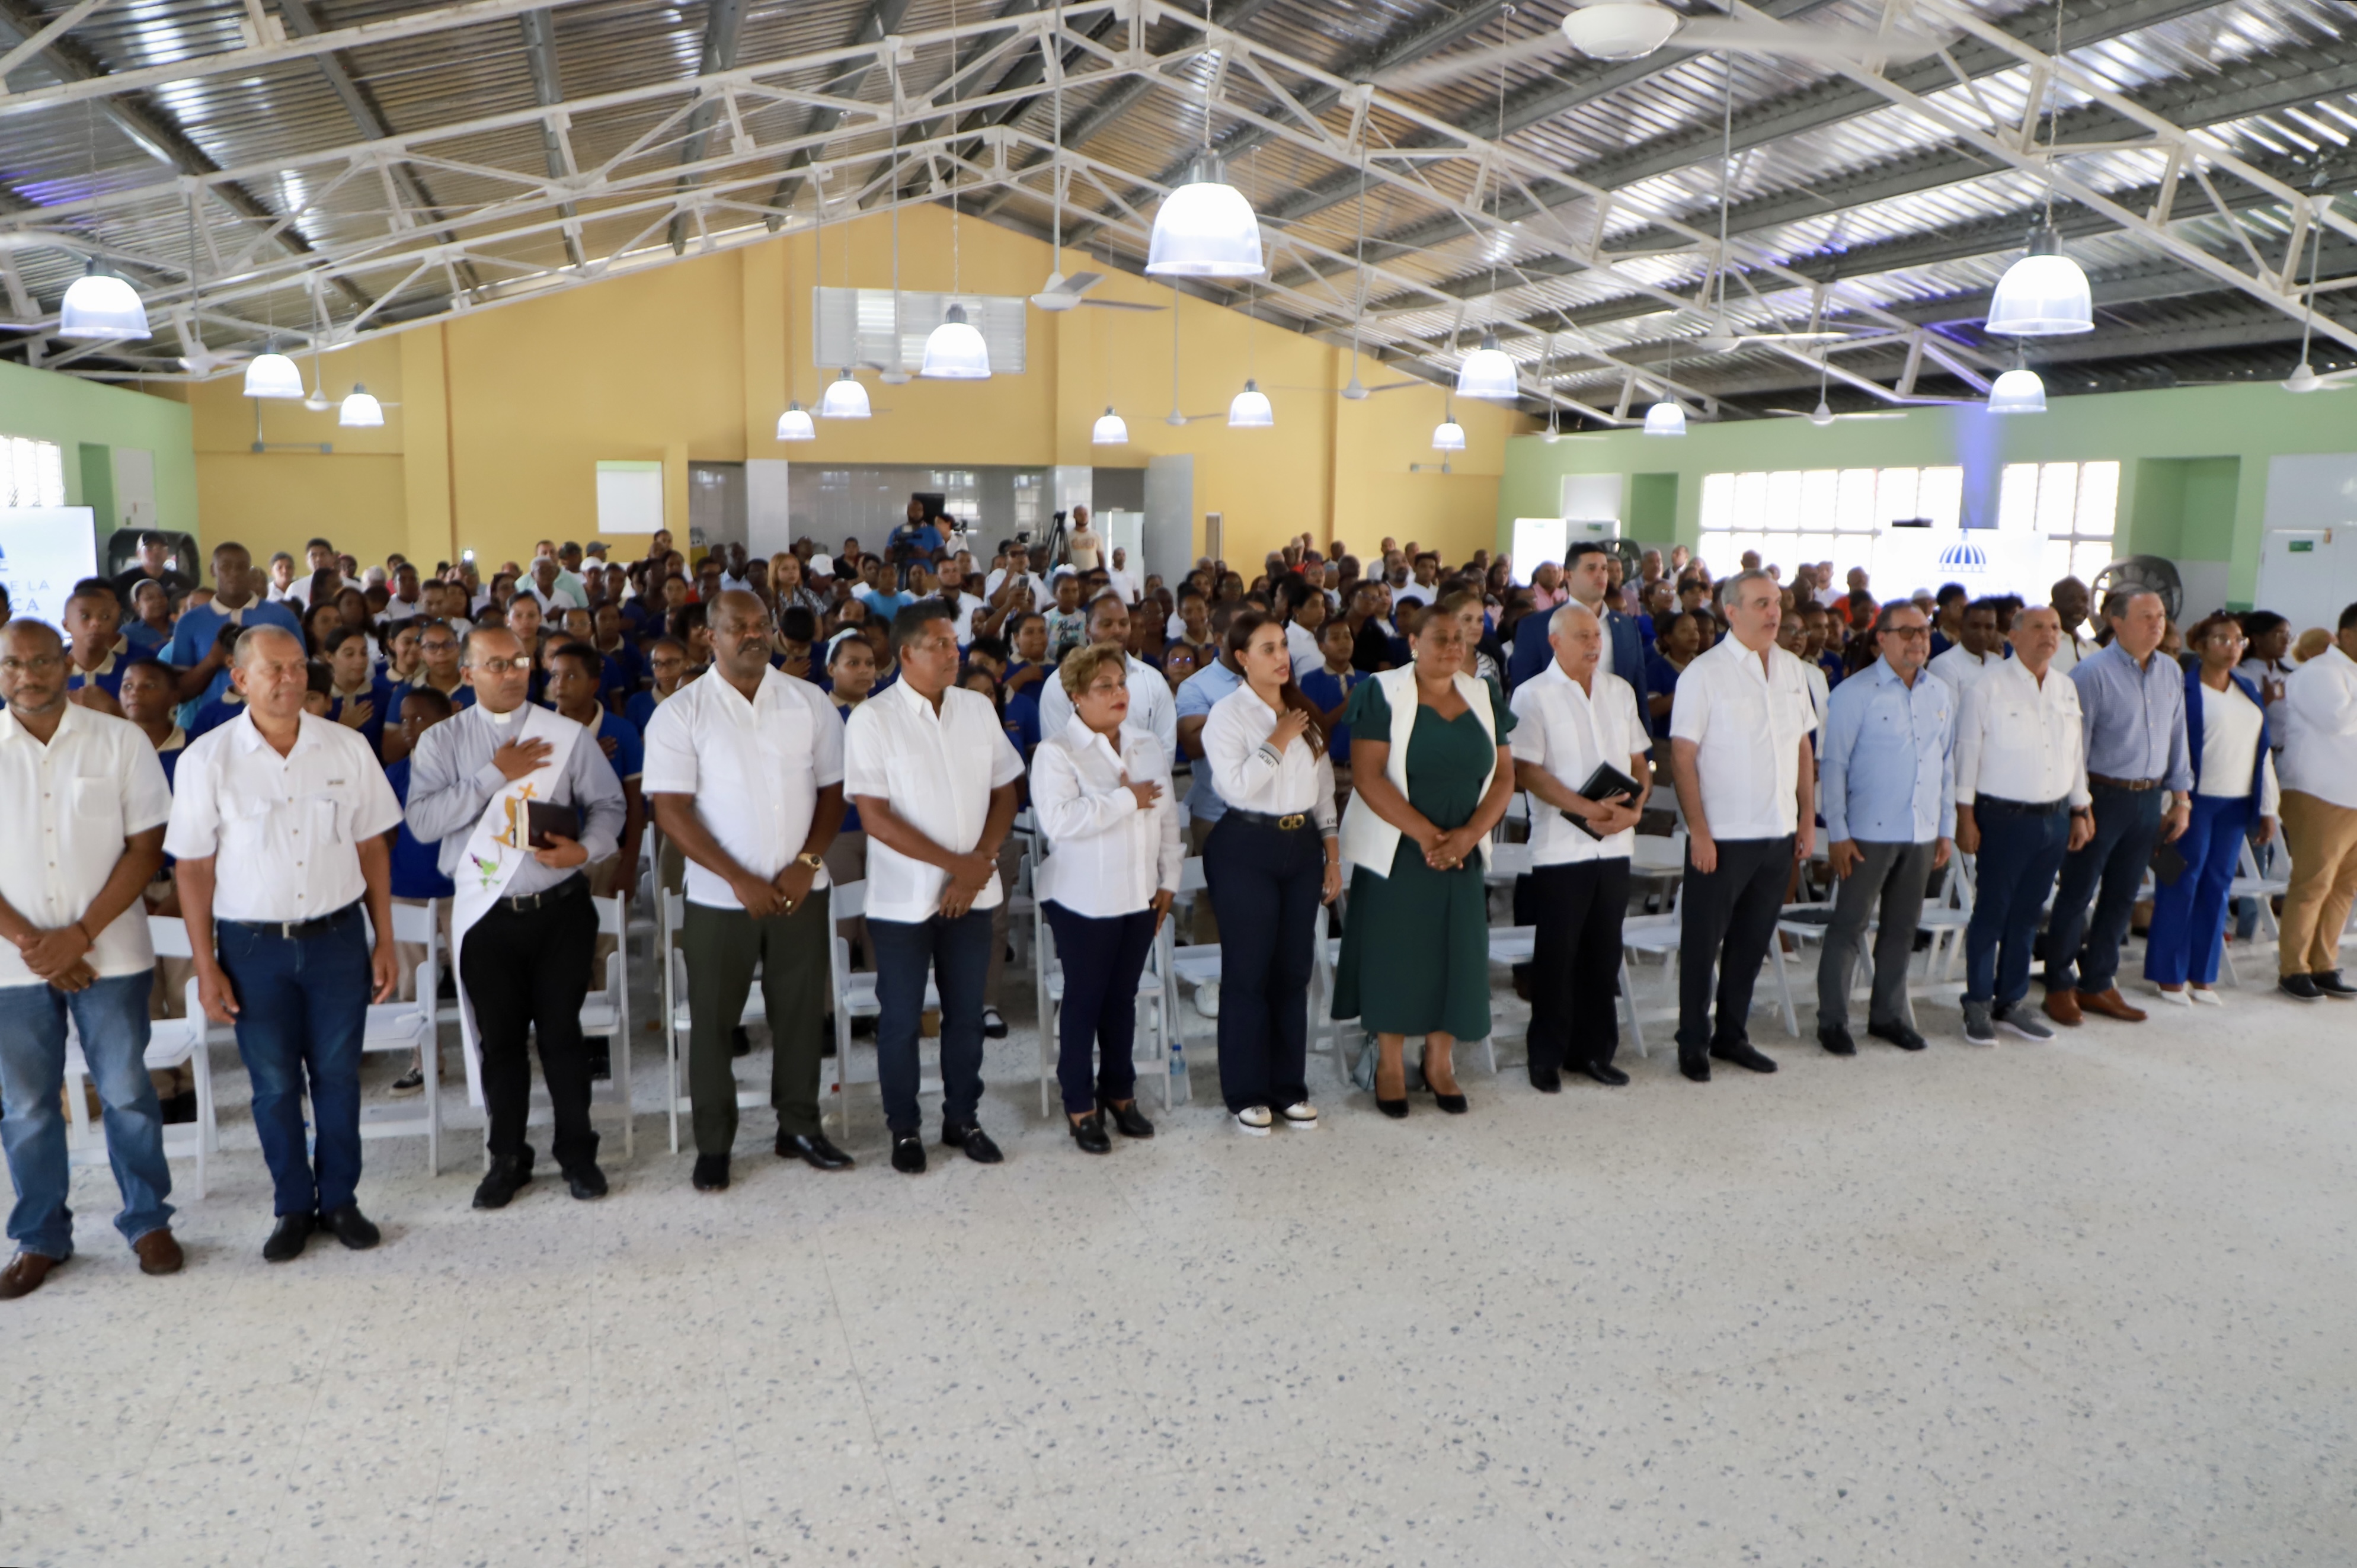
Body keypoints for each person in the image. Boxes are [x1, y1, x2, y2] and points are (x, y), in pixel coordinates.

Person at [167, 627, 402, 1262]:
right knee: (273, 1085)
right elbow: (193, 869)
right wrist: (206, 965)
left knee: (338, 1077)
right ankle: (292, 1205)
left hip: (336, 940)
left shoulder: (347, 747)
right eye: (273, 669)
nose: (289, 679)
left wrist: (385, 939)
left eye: (298, 666)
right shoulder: (207, 759)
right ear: (240, 679)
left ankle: (341, 1200)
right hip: (252, 949)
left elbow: (373, 848)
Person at [405, 629, 625, 1208]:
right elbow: (424, 823)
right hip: (485, 915)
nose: (511, 672)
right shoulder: (442, 741)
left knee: (562, 1036)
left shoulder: (564, 733)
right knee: (500, 1042)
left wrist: (586, 849)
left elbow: (609, 805)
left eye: (520, 661)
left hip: (559, 910)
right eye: (496, 664)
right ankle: (507, 1157)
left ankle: (578, 1153)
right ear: (468, 673)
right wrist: (492, 775)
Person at [644, 593, 853, 1189]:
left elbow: (833, 792)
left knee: (800, 1015)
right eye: (738, 626)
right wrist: (739, 878)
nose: (754, 634)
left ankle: (800, 1127)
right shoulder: (682, 713)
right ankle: (714, 1143)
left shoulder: (808, 701)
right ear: (710, 637)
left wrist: (807, 863)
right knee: (713, 1023)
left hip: (800, 891)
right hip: (720, 898)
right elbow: (672, 811)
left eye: (762, 624)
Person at [0, 620, 180, 1298]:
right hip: (11, 966)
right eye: (12, 663)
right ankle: (40, 1237)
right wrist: (37, 945)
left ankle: (147, 1221)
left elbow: (146, 849)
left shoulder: (120, 740)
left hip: (112, 954)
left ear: (68, 663)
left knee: (129, 1093)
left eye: (41, 661)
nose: (28, 675)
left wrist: (78, 936)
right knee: (27, 1106)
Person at [842, 603, 1025, 1173]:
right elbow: (875, 817)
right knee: (900, 1020)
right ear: (906, 654)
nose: (955, 652)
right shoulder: (873, 719)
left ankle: (962, 1118)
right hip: (903, 900)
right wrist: (957, 866)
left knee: (966, 1015)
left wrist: (979, 862)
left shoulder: (976, 708)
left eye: (954, 642)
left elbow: (1005, 792)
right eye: (940, 644)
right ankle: (904, 1129)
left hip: (973, 895)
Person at [1333, 606, 1515, 1117]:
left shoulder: (1483, 693)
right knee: (1397, 956)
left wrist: (1468, 837)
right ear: (1413, 642)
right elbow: (1367, 776)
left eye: (1460, 638)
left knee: (1456, 954)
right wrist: (1431, 838)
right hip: (1399, 850)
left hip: (1463, 852)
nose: (1454, 647)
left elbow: (1505, 776)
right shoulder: (1381, 690)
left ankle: (1440, 1062)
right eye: (1441, 638)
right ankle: (1390, 1064)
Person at [1031, 645, 1181, 1153]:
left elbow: (1166, 815)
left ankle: (1119, 1092)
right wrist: (1124, 799)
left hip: (1139, 892)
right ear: (1076, 696)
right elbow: (1059, 822)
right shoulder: (1057, 752)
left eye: (1121, 683)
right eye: (1104, 686)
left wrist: (1169, 878)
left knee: (1122, 998)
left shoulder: (1144, 743)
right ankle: (1079, 1104)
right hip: (1083, 899)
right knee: (1085, 999)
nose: (1119, 693)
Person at [1668, 571, 1816, 1082]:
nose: (1773, 613)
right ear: (1731, 612)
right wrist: (1698, 831)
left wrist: (1805, 817)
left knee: (1752, 941)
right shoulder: (1704, 673)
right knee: (1702, 942)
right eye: (1761, 604)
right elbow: (1681, 756)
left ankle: (1731, 1035)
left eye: (1775, 602)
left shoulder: (1792, 668)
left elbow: (1801, 746)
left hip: (1777, 829)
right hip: (1722, 835)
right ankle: (1692, 1040)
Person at [1200, 611, 1342, 1134]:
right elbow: (1236, 787)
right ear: (1242, 658)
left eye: (1282, 645)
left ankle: (1288, 1088)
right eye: (1267, 649)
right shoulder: (1227, 715)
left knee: (1293, 971)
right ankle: (1246, 1091)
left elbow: (1323, 791)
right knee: (1248, 972)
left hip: (1300, 846)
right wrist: (1278, 738)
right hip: (1246, 845)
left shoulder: (1302, 710)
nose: (1281, 657)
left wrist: (1332, 854)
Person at [1508, 602, 1651, 1093]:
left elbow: (1639, 761)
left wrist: (1635, 809)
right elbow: (1527, 771)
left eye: (1596, 635)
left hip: (1615, 844)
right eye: (1582, 636)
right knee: (1557, 956)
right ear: (1555, 642)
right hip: (1561, 848)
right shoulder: (1532, 695)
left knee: (1602, 954)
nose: (1594, 644)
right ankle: (1546, 1056)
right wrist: (1586, 809)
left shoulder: (1619, 690)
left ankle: (1593, 1052)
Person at [2042, 590, 2191, 1027]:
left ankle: (2098, 983)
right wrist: (2078, 807)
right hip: (2100, 796)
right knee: (2077, 894)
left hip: (2148, 798)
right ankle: (2058, 985)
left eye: (2160, 616)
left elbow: (2177, 737)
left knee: (2122, 895)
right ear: (2117, 622)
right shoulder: (2091, 674)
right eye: (2146, 616)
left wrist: (2181, 798)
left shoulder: (2170, 670)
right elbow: (2075, 749)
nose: (2156, 624)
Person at [1814, 602, 1956, 1056]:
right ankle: (1832, 1020)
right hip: (1865, 834)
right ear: (1881, 639)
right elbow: (1832, 766)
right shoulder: (1854, 693)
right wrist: (1837, 832)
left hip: (1920, 830)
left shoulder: (1939, 693)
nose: (1918, 640)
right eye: (1906, 632)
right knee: (1849, 925)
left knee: (1902, 928)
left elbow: (1945, 764)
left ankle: (1887, 1016)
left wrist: (1945, 827)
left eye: (1924, 631)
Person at [1952, 606, 2090, 1044]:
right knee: (1991, 913)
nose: (2049, 635)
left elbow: (2074, 755)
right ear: (2012, 636)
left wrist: (2080, 809)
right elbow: (1966, 756)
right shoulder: (1986, 686)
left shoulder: (2065, 687)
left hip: (2053, 816)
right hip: (2002, 818)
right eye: (2038, 627)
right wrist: (1964, 817)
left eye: (2055, 628)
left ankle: (2010, 1001)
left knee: (2029, 915)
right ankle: (1977, 1000)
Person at [2142, 616, 2278, 1004]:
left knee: (2217, 888)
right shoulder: (2183, 689)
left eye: (2238, 640)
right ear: (2199, 645)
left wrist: (2268, 807)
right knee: (2180, 884)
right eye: (2221, 639)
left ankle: (2202, 975)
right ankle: (2168, 975)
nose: (2232, 647)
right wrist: (2174, 802)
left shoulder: (2247, 689)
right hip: (2192, 802)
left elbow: (2262, 752)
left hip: (2235, 803)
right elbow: (2169, 749)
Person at [2273, 603, 2357, 1000]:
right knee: (2312, 883)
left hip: (2352, 797)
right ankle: (2293, 968)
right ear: (2348, 635)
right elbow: (2338, 721)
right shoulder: (2321, 672)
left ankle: (2323, 964)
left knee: (2344, 887)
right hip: (2320, 794)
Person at [1508, 545, 1648, 732]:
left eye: (1604, 569)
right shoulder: (1536, 627)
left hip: (1616, 733)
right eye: (1591, 568)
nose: (1601, 575)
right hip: (1558, 734)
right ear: (1569, 575)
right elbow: (1524, 694)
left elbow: (1638, 688)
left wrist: (1645, 740)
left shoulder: (1626, 626)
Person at [164, 542, 304, 717]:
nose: (234, 573)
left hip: (274, 718)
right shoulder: (190, 621)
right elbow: (180, 693)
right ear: (213, 570)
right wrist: (212, 661)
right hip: (214, 720)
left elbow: (302, 675)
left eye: (242, 567)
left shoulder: (281, 616)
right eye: (225, 567)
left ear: (250, 571)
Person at [1034, 593, 1179, 758]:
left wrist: (1140, 772)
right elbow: (1059, 748)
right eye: (1107, 624)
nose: (1117, 630)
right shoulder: (1060, 682)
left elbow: (1165, 748)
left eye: (1124, 623)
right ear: (1088, 631)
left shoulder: (1153, 680)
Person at [1927, 598, 2001, 694]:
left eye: (1989, 627)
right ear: (1961, 626)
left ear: (1996, 629)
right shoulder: (1944, 665)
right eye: (1975, 626)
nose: (1982, 634)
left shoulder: (1997, 662)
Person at [112, 530, 193, 606]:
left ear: (167, 553)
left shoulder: (182, 582)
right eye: (149, 547)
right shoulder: (122, 583)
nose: (156, 552)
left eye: (161, 547)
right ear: (138, 554)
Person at [1065, 505, 1102, 572]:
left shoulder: (1096, 535)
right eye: (1080, 514)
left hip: (1091, 575)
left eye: (1085, 514)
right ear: (1074, 516)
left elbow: (1101, 557)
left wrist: (1103, 574)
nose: (1084, 517)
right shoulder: (1067, 536)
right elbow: (1062, 557)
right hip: (1073, 575)